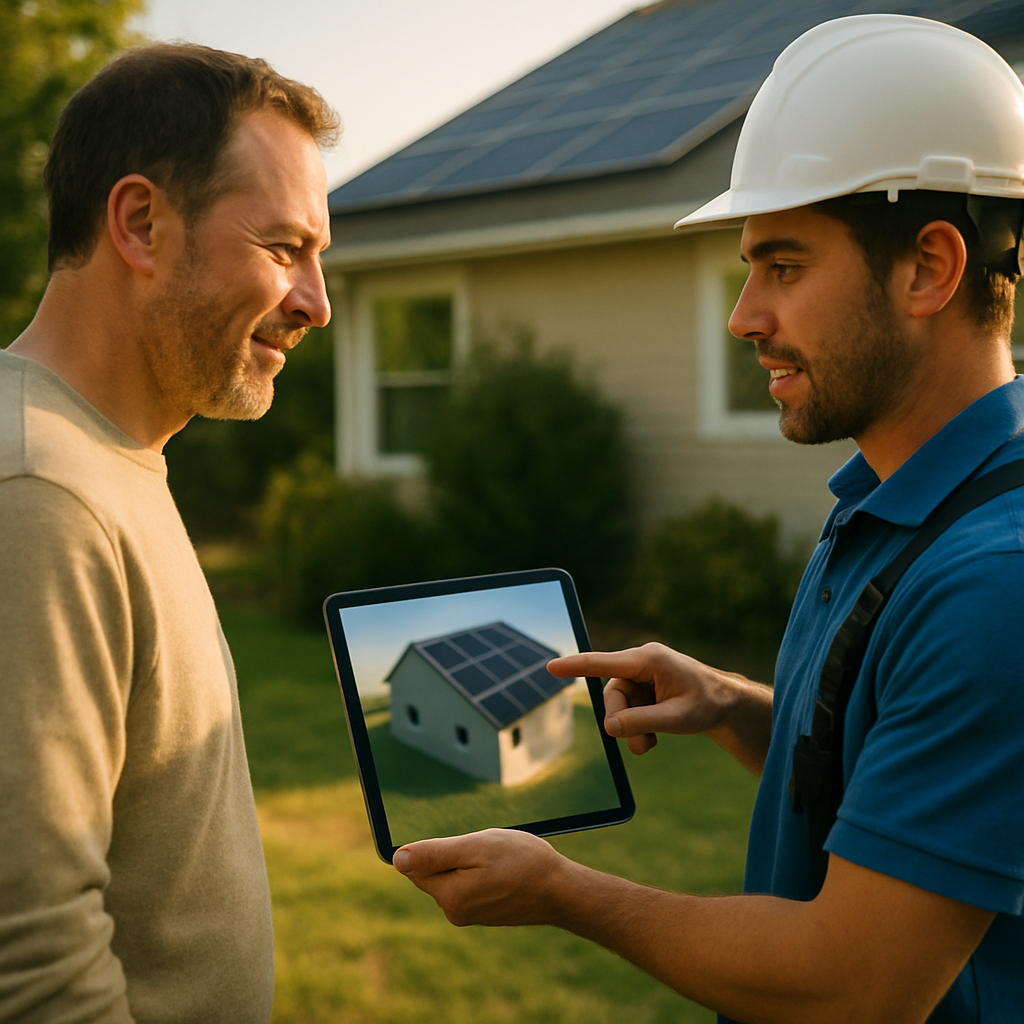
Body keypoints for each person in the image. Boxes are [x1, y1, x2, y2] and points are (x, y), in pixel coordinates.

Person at [393, 14, 1024, 1023]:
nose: (743, 315)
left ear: (928, 269)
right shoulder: (891, 501)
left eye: (781, 265)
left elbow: (850, 985)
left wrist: (564, 891)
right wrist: (739, 708)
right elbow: (891, 764)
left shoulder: (995, 580)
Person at [0, 44, 336, 1022]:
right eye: (284, 248)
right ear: (142, 223)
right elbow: (32, 964)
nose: (316, 301)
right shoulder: (39, 493)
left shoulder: (108, 459)